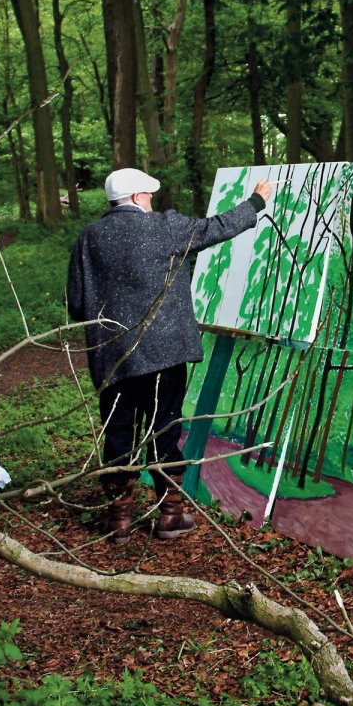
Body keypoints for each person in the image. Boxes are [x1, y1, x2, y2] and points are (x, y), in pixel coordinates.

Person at [66, 168, 273, 543]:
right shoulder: (163, 227)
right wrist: (256, 202)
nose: (151, 200)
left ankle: (120, 521)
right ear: (134, 198)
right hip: (164, 355)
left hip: (112, 357)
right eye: (147, 195)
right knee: (164, 431)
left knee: (118, 434)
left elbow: (77, 304)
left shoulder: (89, 237)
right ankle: (171, 516)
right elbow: (217, 228)